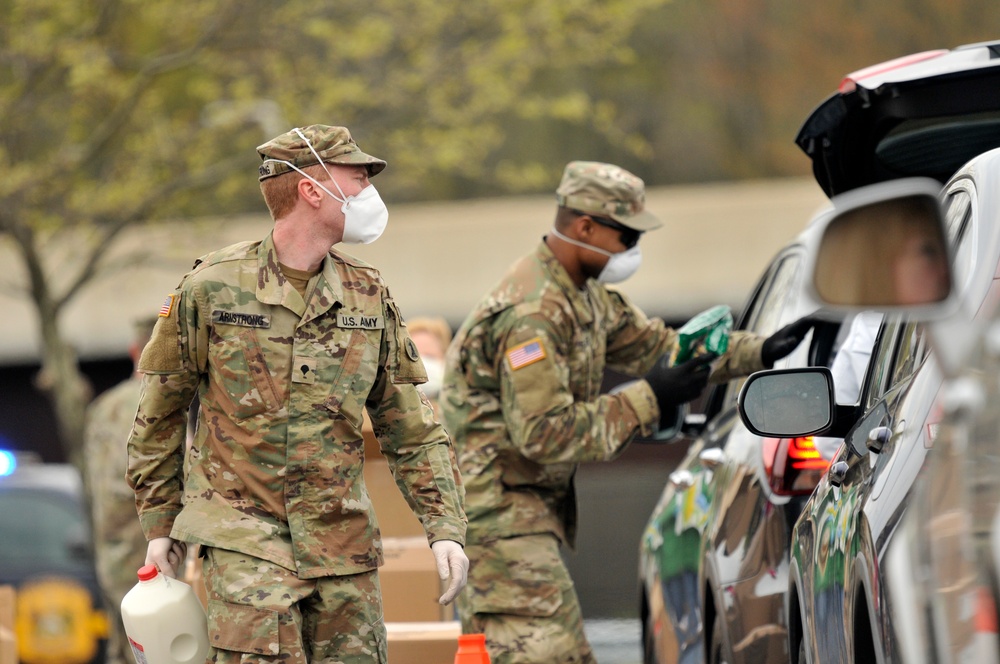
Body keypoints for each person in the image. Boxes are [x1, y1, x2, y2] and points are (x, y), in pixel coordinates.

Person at [440, 160, 815, 663]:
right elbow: (544, 434)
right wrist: (650, 397)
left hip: (523, 512)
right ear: (585, 227)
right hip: (496, 517)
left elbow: (660, 348)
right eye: (626, 235)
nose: (633, 249)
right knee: (549, 655)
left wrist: (761, 351)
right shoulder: (532, 314)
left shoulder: (584, 297)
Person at [126, 124, 469, 663]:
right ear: (312, 190)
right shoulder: (212, 288)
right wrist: (159, 527)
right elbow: (159, 419)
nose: (367, 190)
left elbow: (411, 428)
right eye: (356, 176)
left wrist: (444, 527)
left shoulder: (368, 294)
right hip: (244, 545)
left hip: (344, 552)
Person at [83, 315, 158, 664]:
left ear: (133, 351)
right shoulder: (155, 403)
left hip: (110, 550)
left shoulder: (103, 407)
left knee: (123, 648)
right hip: (146, 553)